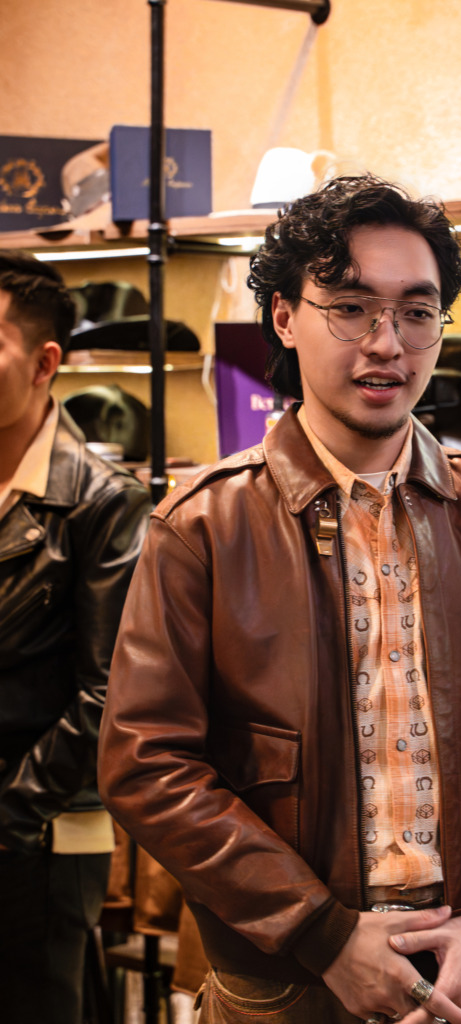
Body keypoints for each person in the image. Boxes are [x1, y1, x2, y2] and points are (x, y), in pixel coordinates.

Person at [99, 175, 461, 1024]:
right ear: (283, 317)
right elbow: (147, 762)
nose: (387, 343)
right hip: (288, 981)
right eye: (349, 308)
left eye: (416, 312)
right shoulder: (203, 524)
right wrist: (322, 934)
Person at [0, 250, 151, 1023]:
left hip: (42, 832)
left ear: (44, 362)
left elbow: (111, 694)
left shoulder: (103, 501)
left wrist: (10, 815)